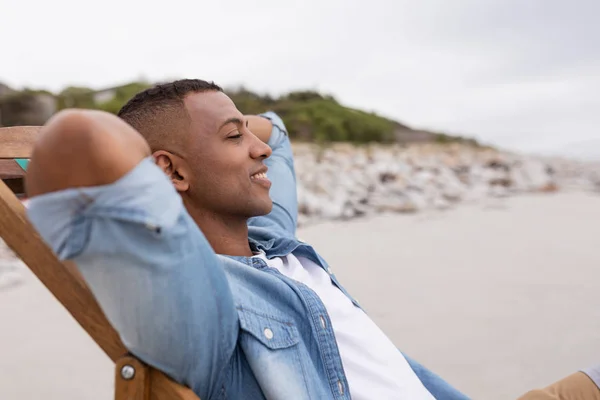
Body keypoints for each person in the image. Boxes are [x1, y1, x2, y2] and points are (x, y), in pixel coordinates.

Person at [24, 79, 471, 399]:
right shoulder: (202, 303)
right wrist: (155, 157)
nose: (258, 149)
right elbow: (80, 140)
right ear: (172, 171)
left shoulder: (271, 236)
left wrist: (226, 122)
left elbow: (275, 133)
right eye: (235, 137)